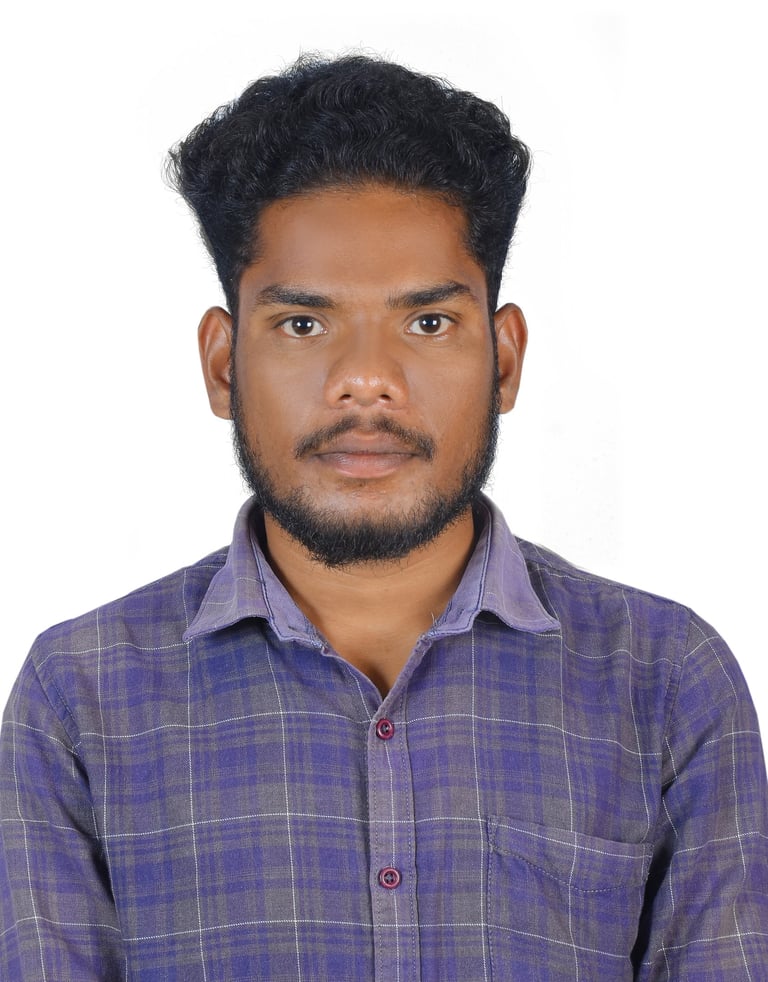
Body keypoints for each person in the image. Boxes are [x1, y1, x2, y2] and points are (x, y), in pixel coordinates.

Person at [1, 54, 766, 981]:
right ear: (222, 364)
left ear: (505, 359)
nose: (366, 379)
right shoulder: (78, 701)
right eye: (303, 324)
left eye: (428, 323)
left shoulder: (666, 682)